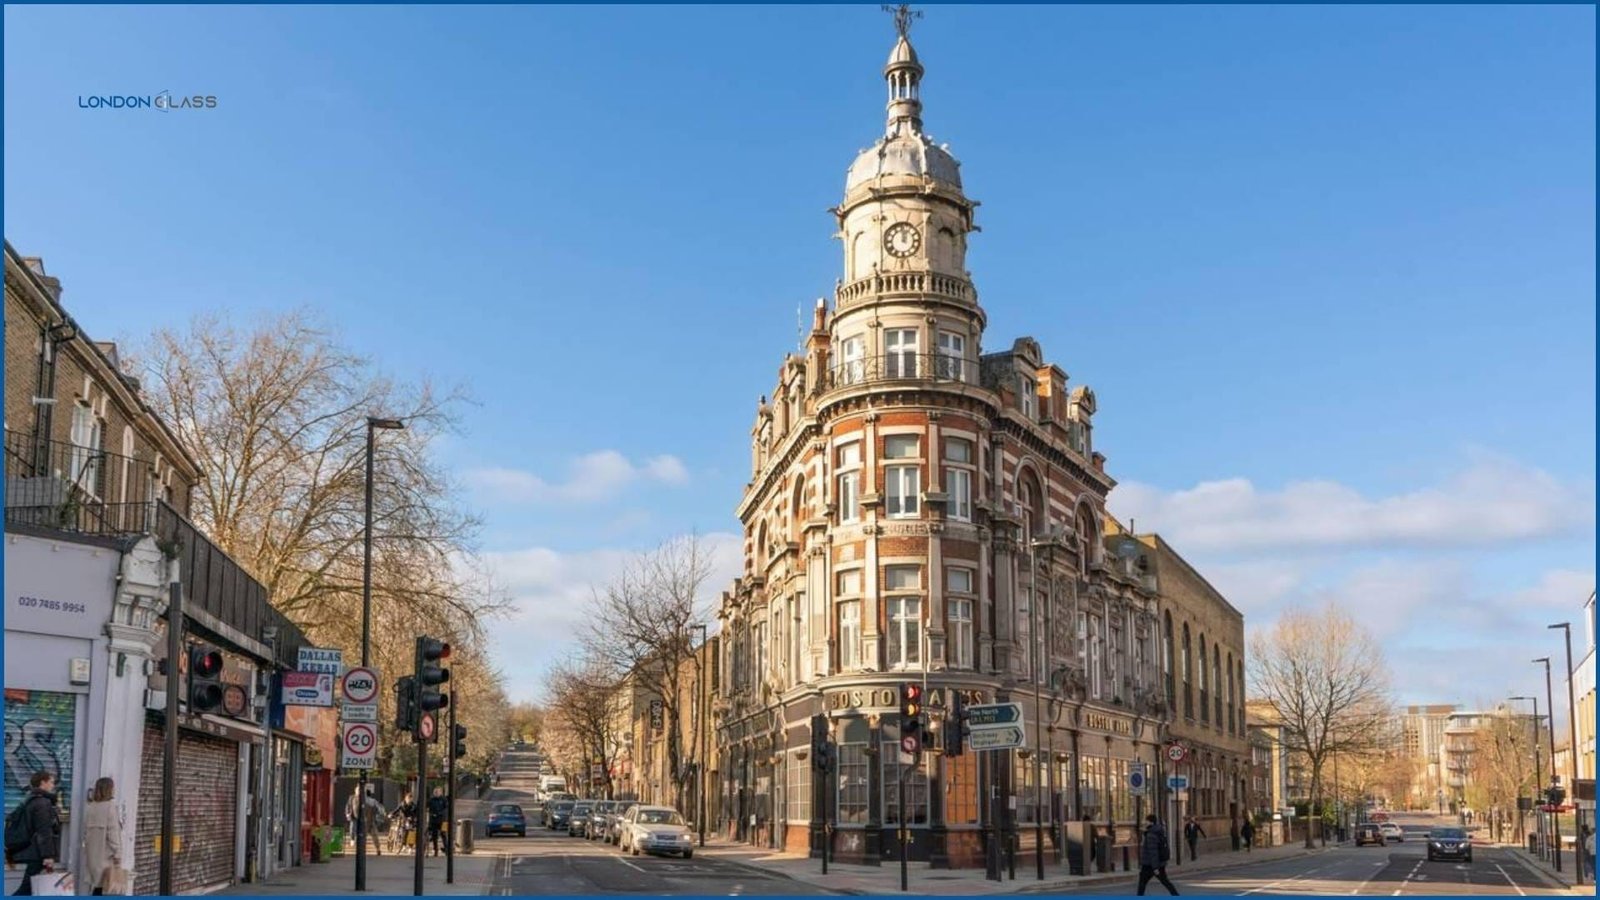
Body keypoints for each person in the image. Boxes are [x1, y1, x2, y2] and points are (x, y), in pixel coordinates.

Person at [9, 771, 62, 896]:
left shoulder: (31, 799)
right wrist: (48, 856)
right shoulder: (42, 803)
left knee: (29, 888)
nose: (53, 786)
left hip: (32, 849)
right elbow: (44, 831)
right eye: (51, 782)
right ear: (43, 783)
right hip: (37, 852)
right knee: (26, 889)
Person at [82, 777, 124, 896]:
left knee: (97, 886)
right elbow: (113, 834)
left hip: (93, 856)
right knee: (108, 887)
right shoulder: (110, 807)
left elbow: (86, 832)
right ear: (109, 789)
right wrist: (118, 854)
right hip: (106, 855)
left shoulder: (91, 807)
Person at [1137, 814, 1179, 896]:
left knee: (1142, 883)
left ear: (1151, 823)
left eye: (1147, 821)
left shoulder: (1151, 835)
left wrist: (1155, 867)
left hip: (1150, 864)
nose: (1145, 822)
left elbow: (1153, 852)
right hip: (1158, 863)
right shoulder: (1157, 832)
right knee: (1165, 882)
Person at [346, 785, 384, 856]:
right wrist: (349, 815)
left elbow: (380, 808)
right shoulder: (353, 799)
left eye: (360, 792)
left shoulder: (369, 800)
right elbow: (351, 808)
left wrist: (379, 816)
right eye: (358, 791)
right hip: (362, 821)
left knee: (374, 835)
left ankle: (378, 849)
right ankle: (361, 850)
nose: (359, 793)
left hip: (370, 821)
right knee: (362, 836)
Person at [427, 787, 449, 857]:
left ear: (440, 793)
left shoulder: (443, 799)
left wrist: (441, 813)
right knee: (434, 836)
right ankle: (435, 850)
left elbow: (446, 808)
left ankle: (446, 849)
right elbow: (427, 806)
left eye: (437, 792)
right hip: (434, 819)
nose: (436, 793)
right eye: (435, 792)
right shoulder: (431, 800)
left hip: (442, 820)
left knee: (444, 835)